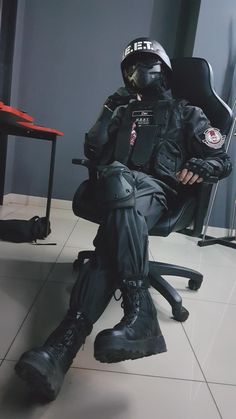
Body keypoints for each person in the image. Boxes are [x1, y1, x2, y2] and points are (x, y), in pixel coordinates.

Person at [15, 37, 232, 401]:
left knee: (109, 237)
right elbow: (93, 150)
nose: (137, 72)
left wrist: (201, 164)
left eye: (146, 63)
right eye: (131, 66)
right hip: (116, 188)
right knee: (116, 179)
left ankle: (59, 349)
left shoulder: (186, 112)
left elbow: (222, 161)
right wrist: (107, 109)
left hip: (157, 191)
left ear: (162, 69)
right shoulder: (121, 112)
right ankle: (139, 311)